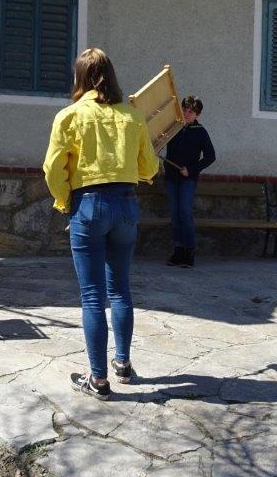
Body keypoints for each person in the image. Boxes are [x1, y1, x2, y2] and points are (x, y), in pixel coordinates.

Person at [43, 48, 158, 401]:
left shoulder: (69, 116)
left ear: (79, 76)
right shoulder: (132, 116)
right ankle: (123, 364)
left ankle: (98, 379)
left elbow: (53, 169)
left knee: (92, 295)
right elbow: (149, 168)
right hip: (125, 203)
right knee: (120, 289)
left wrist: (64, 202)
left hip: (89, 204)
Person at [163, 95, 215, 268]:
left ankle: (189, 251)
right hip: (171, 177)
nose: (186, 113)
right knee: (175, 214)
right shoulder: (174, 128)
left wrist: (191, 169)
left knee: (185, 213)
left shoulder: (200, 131)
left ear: (197, 115)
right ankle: (178, 250)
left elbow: (210, 156)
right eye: (184, 110)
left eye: (190, 112)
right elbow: (160, 140)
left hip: (188, 179)